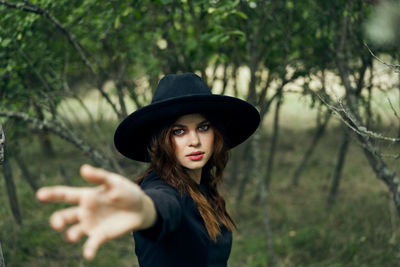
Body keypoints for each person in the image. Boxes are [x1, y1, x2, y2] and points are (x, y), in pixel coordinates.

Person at [36, 73, 260, 266]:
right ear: (161, 140)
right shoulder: (161, 188)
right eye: (178, 131)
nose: (194, 141)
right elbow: (161, 205)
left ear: (216, 133)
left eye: (203, 127)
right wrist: (142, 209)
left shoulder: (203, 185)